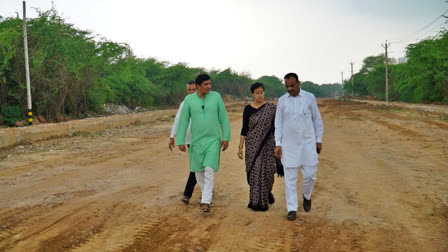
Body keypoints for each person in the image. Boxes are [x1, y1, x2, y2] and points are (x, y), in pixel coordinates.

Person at [176, 73, 231, 213]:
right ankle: (208, 194)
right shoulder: (189, 100)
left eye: (209, 84)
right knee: (198, 171)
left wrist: (226, 137)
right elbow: (183, 121)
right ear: (198, 86)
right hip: (196, 141)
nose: (209, 86)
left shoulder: (216, 97)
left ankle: (205, 201)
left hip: (213, 139)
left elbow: (223, 118)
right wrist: (180, 140)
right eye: (205, 84)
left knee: (209, 169)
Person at [274, 72, 324, 221]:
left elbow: (317, 120)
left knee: (310, 175)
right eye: (287, 86)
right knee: (290, 178)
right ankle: (292, 209)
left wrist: (318, 139)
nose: (289, 89)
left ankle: (306, 195)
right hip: (289, 146)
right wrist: (278, 144)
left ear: (298, 83)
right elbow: (279, 123)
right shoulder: (282, 101)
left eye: (292, 85)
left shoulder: (309, 98)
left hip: (307, 144)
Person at [238, 82, 277, 211]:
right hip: (252, 146)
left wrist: (279, 145)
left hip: (269, 145)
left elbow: (276, 128)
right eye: (257, 93)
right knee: (255, 172)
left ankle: (267, 192)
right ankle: (256, 202)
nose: (260, 95)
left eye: (262, 92)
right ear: (252, 94)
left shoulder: (271, 109)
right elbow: (244, 129)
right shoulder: (248, 109)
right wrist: (240, 147)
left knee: (268, 173)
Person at [169, 80, 197, 204]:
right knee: (197, 167)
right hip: (191, 140)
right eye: (189, 90)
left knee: (202, 167)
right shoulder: (184, 103)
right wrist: (172, 136)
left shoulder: (207, 102)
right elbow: (178, 120)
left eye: (193, 90)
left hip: (206, 140)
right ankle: (200, 193)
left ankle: (188, 194)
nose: (191, 92)